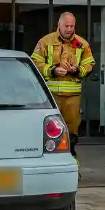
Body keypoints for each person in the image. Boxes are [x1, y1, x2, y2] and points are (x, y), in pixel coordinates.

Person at [31, 12, 94, 157]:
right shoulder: (45, 41)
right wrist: (52, 70)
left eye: (72, 26)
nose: (70, 29)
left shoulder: (82, 44)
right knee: (48, 131)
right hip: (50, 97)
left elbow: (89, 65)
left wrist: (77, 70)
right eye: (67, 26)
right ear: (59, 25)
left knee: (72, 132)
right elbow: (35, 63)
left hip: (72, 97)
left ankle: (71, 162)